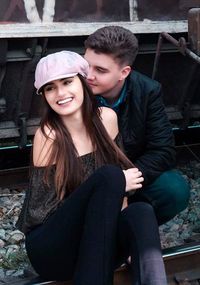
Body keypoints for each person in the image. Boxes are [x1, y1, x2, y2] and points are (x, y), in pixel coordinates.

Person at [16, 50, 168, 285]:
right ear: (44, 95)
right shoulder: (49, 135)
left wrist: (130, 239)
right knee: (111, 176)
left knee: (141, 212)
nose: (60, 93)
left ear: (83, 82)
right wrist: (115, 184)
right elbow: (41, 214)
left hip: (96, 241)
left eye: (67, 82)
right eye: (50, 88)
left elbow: (118, 194)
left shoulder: (107, 118)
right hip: (53, 249)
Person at [84, 25, 190, 225]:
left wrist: (127, 179)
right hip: (86, 176)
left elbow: (163, 150)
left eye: (100, 70)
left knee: (174, 190)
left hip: (129, 172)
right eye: (86, 65)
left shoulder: (147, 91)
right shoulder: (73, 89)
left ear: (123, 72)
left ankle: (132, 227)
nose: (88, 75)